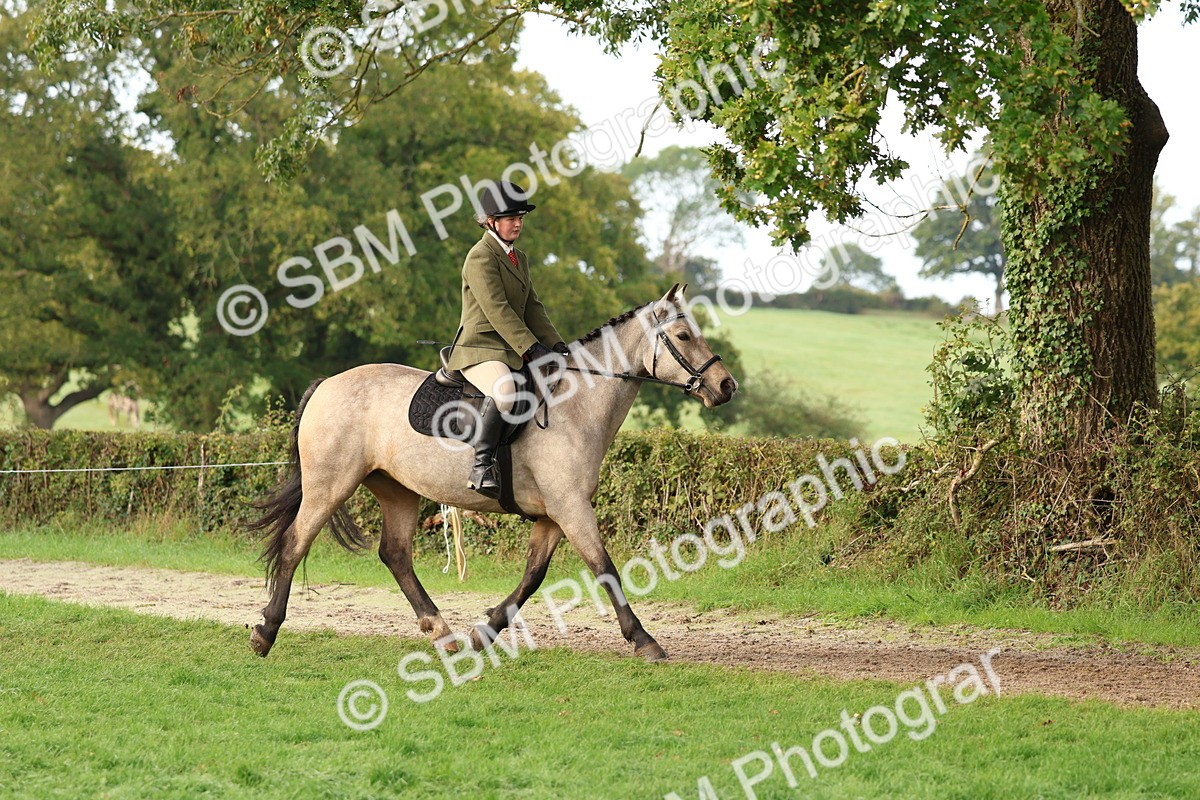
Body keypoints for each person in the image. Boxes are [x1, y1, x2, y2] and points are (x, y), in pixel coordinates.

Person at [445, 180, 570, 498]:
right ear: (490, 221)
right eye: (510, 217)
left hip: (509, 348)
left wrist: (556, 345)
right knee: (506, 391)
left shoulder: (520, 258)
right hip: (480, 348)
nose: (517, 223)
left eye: (521, 217)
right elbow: (498, 310)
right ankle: (482, 465)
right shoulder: (480, 257)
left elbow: (532, 307)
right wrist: (532, 348)